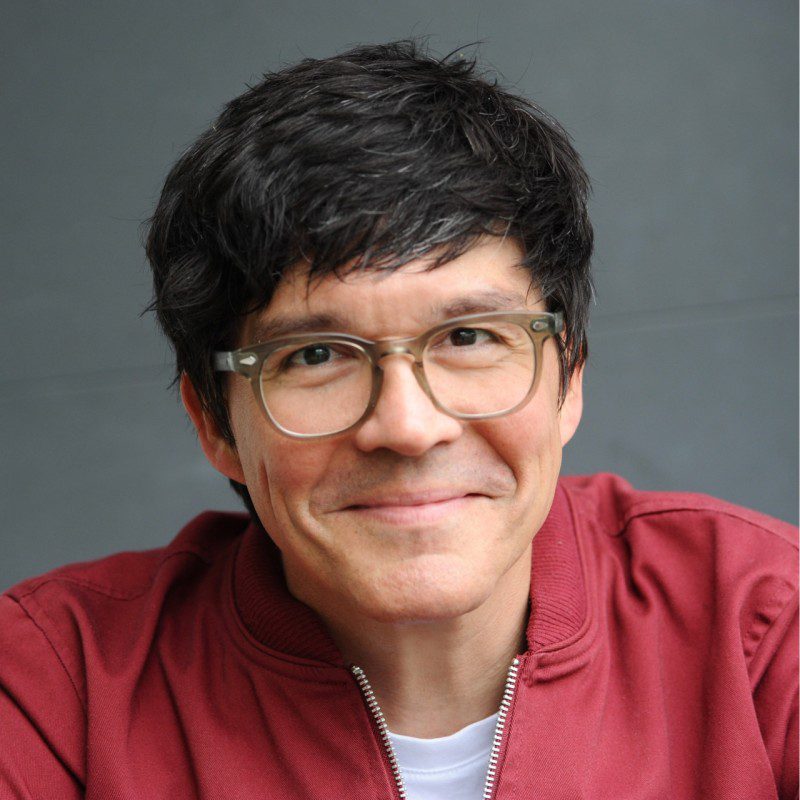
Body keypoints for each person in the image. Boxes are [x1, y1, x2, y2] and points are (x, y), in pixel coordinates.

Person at [0, 40, 796, 800]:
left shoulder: (764, 623)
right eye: (316, 356)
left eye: (469, 338)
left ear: (569, 379)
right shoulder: (53, 687)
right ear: (214, 424)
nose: (409, 427)